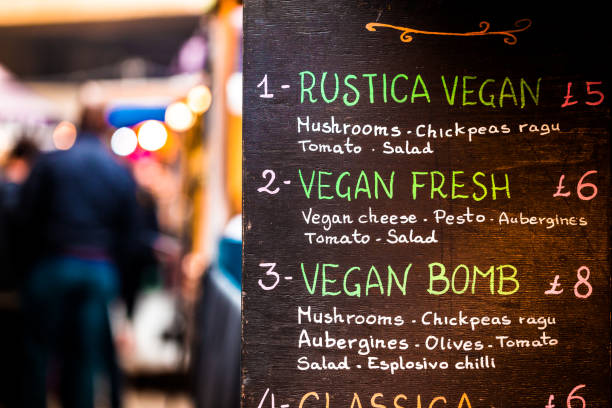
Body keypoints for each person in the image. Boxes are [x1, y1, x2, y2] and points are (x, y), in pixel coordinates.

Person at [19, 110, 140, 408]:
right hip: (98, 269)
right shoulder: (118, 170)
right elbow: (131, 235)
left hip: (53, 265)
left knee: (38, 352)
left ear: (76, 125)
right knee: (85, 356)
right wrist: (122, 287)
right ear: (105, 129)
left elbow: (26, 217)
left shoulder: (51, 163)